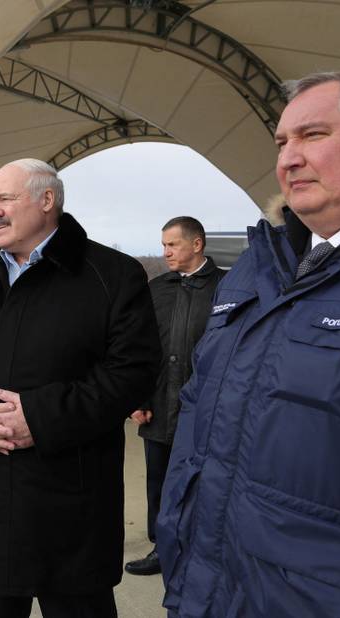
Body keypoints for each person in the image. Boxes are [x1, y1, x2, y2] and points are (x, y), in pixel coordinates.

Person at [157, 72, 340, 616]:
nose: (288, 159)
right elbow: (199, 403)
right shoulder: (257, 266)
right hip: (210, 590)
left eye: (313, 136)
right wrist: (175, 533)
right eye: (282, 143)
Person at [0, 158, 161, 617]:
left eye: (5, 199)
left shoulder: (112, 276)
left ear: (47, 200)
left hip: (71, 515)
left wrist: (40, 416)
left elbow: (132, 373)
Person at [124, 217, 225, 577]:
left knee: (208, 482)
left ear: (196, 244)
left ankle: (205, 550)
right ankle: (162, 547)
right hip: (158, 407)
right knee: (159, 480)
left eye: (172, 245)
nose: (165, 252)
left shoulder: (226, 288)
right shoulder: (156, 289)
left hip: (208, 410)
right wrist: (137, 398)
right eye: (163, 245)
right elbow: (137, 347)